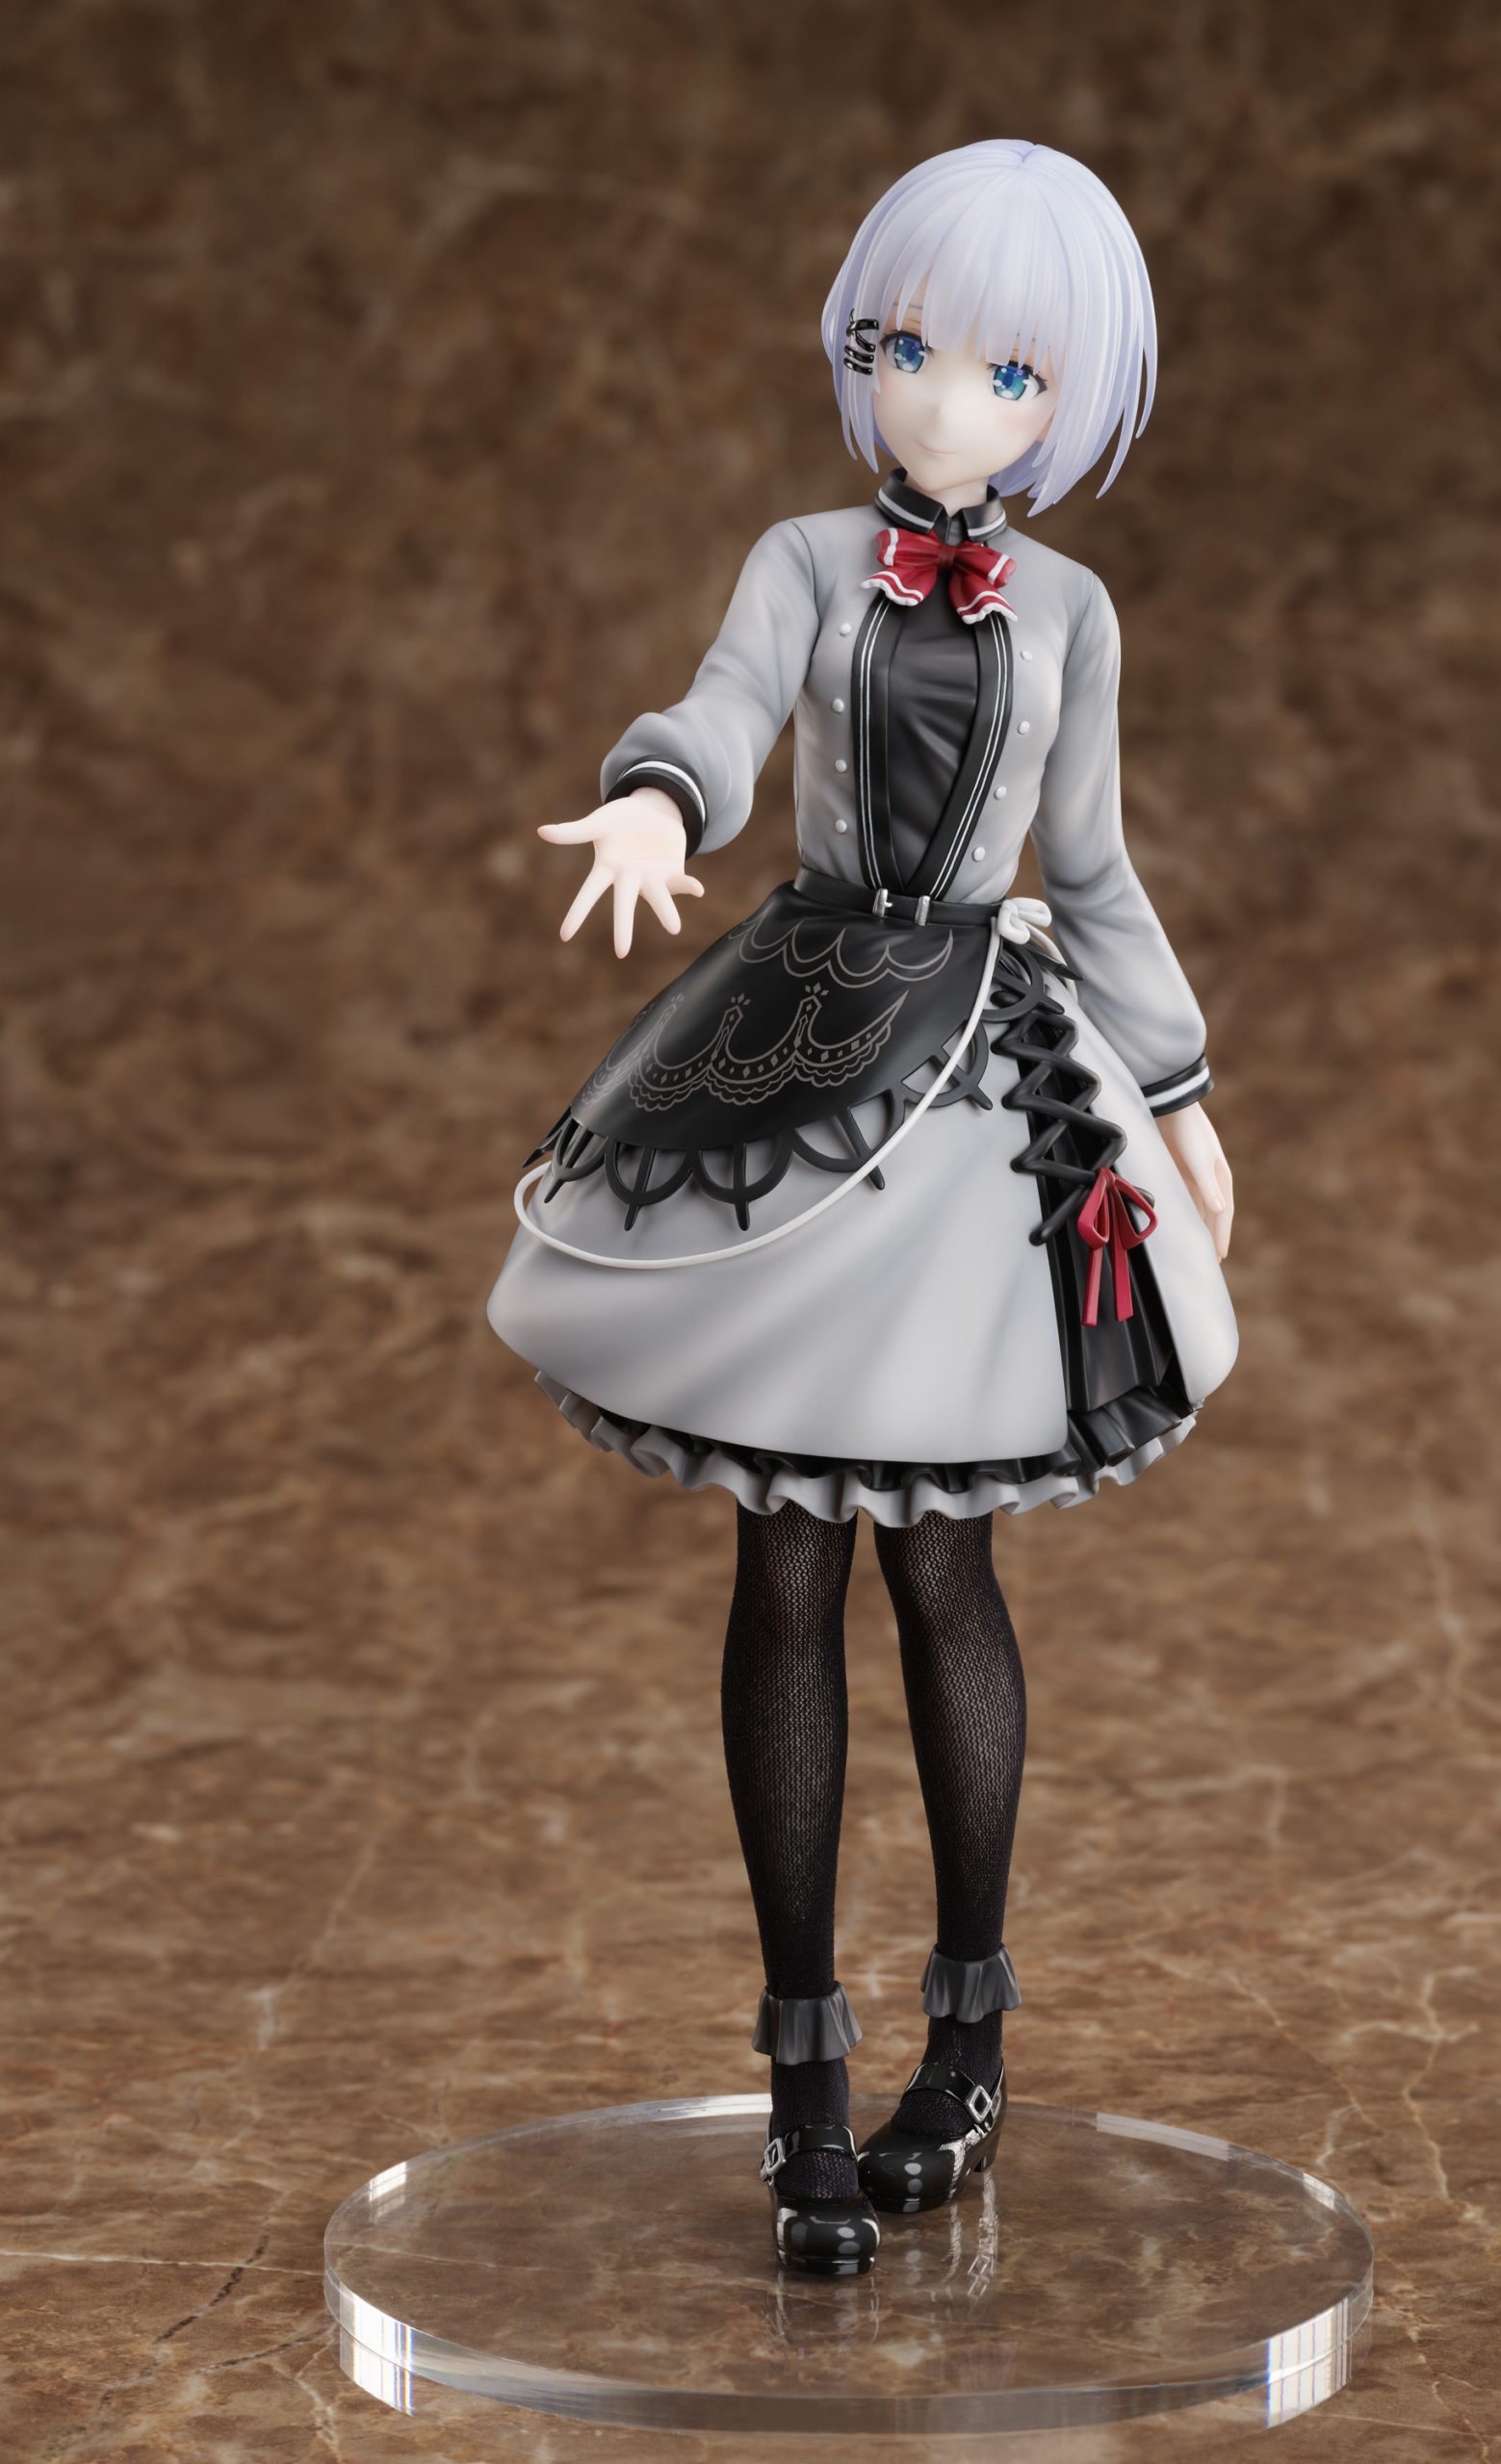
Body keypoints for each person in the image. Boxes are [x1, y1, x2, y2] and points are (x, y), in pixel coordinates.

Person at [486, 139, 1238, 2275]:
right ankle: (800, 2080)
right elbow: (728, 706)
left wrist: (1181, 1089)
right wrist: (660, 795)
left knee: (945, 1571)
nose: (939, 397)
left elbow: (1090, 864)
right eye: (904, 345)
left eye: (1002, 368)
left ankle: (966, 2042)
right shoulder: (805, 558)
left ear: (1065, 399)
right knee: (784, 1567)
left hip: (986, 1080)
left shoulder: (1070, 613)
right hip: (805, 1046)